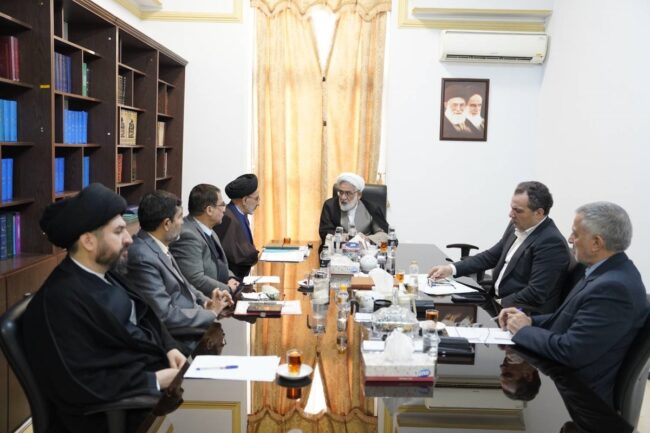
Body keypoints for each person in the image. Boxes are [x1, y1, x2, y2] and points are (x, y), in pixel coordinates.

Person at [21, 183, 186, 433]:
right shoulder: (58, 301)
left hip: (151, 392)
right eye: (119, 231)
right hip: (111, 417)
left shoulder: (108, 273)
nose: (129, 238)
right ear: (88, 241)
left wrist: (169, 346)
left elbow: (145, 316)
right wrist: (152, 380)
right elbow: (78, 382)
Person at [499, 201, 649, 408]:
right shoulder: (603, 272)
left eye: (575, 234)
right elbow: (566, 318)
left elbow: (571, 352)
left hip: (584, 399)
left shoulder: (613, 288)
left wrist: (523, 331)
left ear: (596, 242)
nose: (570, 239)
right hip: (569, 381)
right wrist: (529, 321)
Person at [429, 181, 571, 313]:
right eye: (511, 208)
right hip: (494, 300)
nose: (511, 214)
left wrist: (499, 303)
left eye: (518, 210)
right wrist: (451, 269)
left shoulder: (551, 242)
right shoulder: (517, 225)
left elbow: (536, 293)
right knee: (438, 308)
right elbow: (490, 256)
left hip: (519, 313)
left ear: (539, 213)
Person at [126, 190, 231, 348]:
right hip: (174, 342)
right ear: (167, 224)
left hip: (189, 326)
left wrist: (207, 303)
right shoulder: (142, 257)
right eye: (180, 217)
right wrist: (210, 313)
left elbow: (185, 285)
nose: (183, 222)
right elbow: (164, 315)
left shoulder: (159, 245)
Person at [170, 184, 240, 297]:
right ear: (209, 210)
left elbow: (220, 263)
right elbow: (195, 279)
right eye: (222, 205)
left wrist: (231, 278)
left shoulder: (210, 230)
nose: (224, 209)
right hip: (206, 301)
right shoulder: (187, 235)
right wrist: (228, 288)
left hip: (221, 295)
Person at [318, 172, 389, 246]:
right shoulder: (330, 206)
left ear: (359, 195)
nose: (343, 197)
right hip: (339, 249)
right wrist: (341, 237)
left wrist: (367, 239)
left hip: (364, 250)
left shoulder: (371, 208)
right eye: (341, 192)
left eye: (348, 193)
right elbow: (324, 232)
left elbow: (384, 234)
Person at [214, 173, 260, 279]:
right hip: (231, 280)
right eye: (256, 199)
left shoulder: (241, 214)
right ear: (244, 200)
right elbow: (227, 255)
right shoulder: (226, 218)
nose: (258, 203)